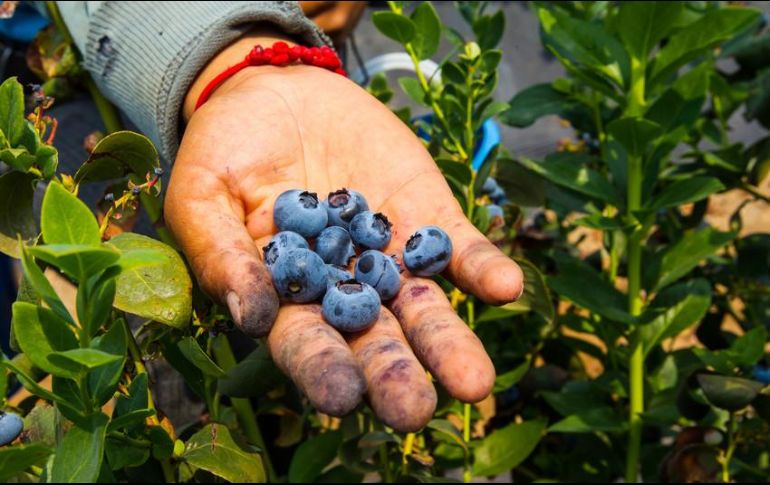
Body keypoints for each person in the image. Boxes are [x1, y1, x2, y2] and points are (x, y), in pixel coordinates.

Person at [36, 1, 524, 431]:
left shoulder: (340, 248)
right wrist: (232, 64)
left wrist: (252, 55)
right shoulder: (323, 248)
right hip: (103, 82)